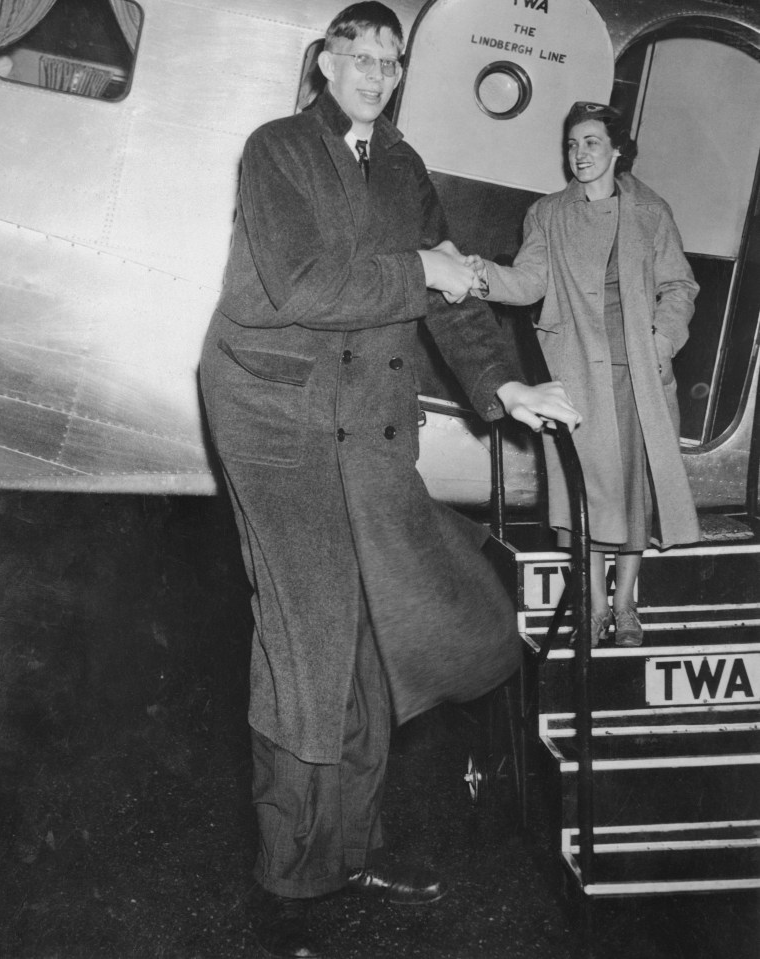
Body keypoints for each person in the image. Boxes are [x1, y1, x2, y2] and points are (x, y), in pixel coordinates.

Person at [199, 5, 580, 956]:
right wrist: (422, 266)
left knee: (376, 627)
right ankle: (289, 871)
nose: (373, 70)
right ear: (325, 61)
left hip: (361, 425)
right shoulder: (277, 149)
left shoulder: (402, 166)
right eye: (355, 55)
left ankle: (351, 848)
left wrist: (505, 385)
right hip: (275, 421)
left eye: (388, 57)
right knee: (307, 636)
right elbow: (301, 285)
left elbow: (448, 298)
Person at [468, 101, 700, 649]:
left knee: (633, 490)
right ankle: (594, 607)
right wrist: (480, 277)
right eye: (572, 145)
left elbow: (680, 287)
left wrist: (663, 340)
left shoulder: (651, 210)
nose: (580, 155)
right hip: (578, 372)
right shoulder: (548, 214)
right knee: (590, 491)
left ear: (618, 149)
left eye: (591, 143)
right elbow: (527, 283)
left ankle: (626, 606)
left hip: (642, 373)